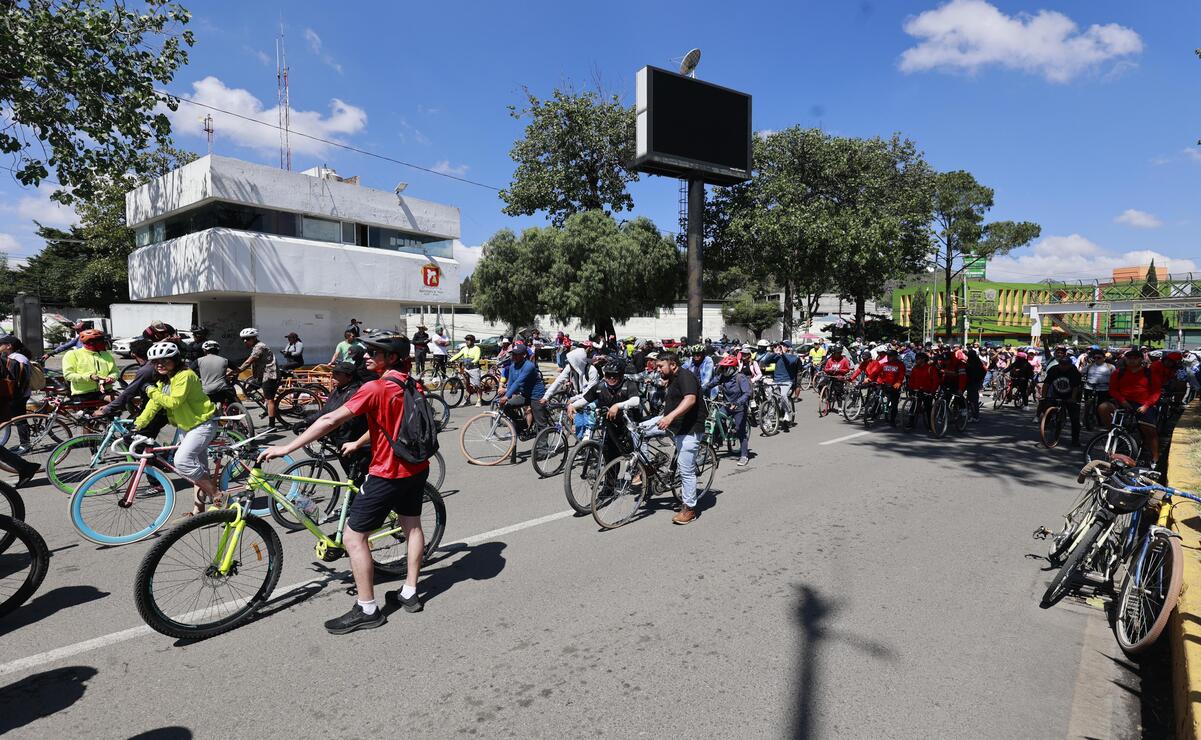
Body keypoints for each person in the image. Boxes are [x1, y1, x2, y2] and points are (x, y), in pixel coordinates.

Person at [259, 335, 430, 633]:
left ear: (392, 358)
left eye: (375, 352)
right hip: (416, 468)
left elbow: (329, 420)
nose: (367, 356)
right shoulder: (410, 383)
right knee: (412, 527)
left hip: (387, 473)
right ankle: (410, 591)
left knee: (353, 538)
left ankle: (367, 609)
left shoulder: (375, 387)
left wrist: (286, 447)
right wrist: (359, 442)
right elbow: (391, 423)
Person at [132, 341, 220, 516]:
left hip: (202, 424)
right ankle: (198, 510)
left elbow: (174, 402)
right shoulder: (165, 380)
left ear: (176, 359)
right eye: (155, 362)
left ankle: (217, 495)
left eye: (165, 360)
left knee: (182, 461)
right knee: (198, 468)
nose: (160, 364)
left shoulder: (185, 375)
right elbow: (154, 404)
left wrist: (150, 390)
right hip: (185, 426)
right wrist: (138, 424)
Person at [641, 352, 705, 525]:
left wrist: (669, 417)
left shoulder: (686, 376)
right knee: (638, 431)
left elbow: (690, 399)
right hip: (673, 422)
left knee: (686, 470)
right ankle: (648, 468)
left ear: (673, 365)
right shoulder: (671, 378)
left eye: (660, 366)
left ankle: (689, 509)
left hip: (689, 428)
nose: (657, 369)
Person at [300, 361, 369, 481]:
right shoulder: (337, 390)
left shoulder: (355, 393)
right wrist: (306, 421)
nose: (333, 377)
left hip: (356, 443)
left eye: (337, 374)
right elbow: (325, 412)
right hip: (341, 442)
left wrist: (327, 430)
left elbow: (348, 421)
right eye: (333, 374)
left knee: (360, 477)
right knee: (352, 477)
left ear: (349, 377)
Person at [571, 360, 642, 462]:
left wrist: (617, 406)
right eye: (608, 375)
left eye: (615, 375)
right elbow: (585, 400)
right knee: (610, 455)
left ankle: (644, 469)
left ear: (621, 375)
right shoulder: (600, 387)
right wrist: (572, 405)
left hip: (629, 424)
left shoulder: (629, 384)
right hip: (610, 424)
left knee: (636, 455)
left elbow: (635, 400)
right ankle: (611, 472)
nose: (611, 378)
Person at [1103, 349, 1163, 466]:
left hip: (1143, 404)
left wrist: (1146, 405)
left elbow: (1156, 393)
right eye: (1129, 358)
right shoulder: (1118, 373)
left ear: (1141, 359)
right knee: (1103, 408)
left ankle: (1155, 458)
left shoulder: (1150, 373)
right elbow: (1113, 390)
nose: (1132, 360)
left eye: (1135, 358)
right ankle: (1114, 433)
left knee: (1150, 431)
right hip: (1122, 402)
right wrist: (1122, 401)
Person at [0, 335, 38, 485]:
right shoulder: (11, 358)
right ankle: (24, 466)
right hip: (12, 397)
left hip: (16, 397)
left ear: (9, 346)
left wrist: (18, 395)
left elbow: (19, 380)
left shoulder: (17, 358)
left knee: (20, 420)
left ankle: (25, 452)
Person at [704, 354, 752, 466]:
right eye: (722, 368)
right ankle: (721, 437)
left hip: (739, 407)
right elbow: (711, 384)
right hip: (726, 405)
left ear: (732, 368)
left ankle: (744, 455)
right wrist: (699, 390)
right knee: (717, 417)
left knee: (740, 431)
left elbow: (747, 393)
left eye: (725, 368)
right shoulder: (722, 376)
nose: (723, 370)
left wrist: (737, 403)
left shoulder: (741, 377)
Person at [1038, 345, 1083, 446]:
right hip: (1057, 394)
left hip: (1072, 396)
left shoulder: (1074, 372)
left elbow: (1076, 387)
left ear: (1070, 365)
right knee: (1046, 410)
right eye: (1061, 364)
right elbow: (1046, 384)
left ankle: (1075, 440)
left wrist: (1073, 398)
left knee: (1074, 418)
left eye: (1065, 365)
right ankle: (1044, 435)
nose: (1063, 366)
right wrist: (1044, 397)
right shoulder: (1054, 369)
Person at [497, 342, 546, 434]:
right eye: (513, 354)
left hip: (536, 395)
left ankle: (543, 442)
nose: (513, 356)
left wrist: (506, 396)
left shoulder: (529, 366)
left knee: (541, 423)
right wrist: (506, 395)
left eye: (516, 354)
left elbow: (519, 382)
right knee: (506, 407)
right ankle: (522, 425)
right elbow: (511, 383)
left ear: (524, 355)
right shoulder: (512, 366)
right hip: (525, 395)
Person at [237, 328, 279, 429]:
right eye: (243, 339)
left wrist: (237, 371)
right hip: (261, 376)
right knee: (249, 389)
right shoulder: (255, 347)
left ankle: (272, 425)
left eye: (247, 339)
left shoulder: (259, 347)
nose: (245, 341)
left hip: (269, 375)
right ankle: (267, 406)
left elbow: (249, 361)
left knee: (270, 400)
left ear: (254, 338)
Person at [62, 329, 118, 402]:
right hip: (84, 394)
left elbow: (115, 371)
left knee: (126, 399)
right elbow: (68, 375)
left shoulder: (106, 355)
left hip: (105, 391)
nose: (103, 343)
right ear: (90, 343)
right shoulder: (73, 354)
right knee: (117, 401)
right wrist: (90, 377)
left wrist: (111, 378)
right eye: (100, 341)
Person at [906, 352, 941, 429]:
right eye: (916, 359)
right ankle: (910, 422)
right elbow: (911, 380)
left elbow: (936, 381)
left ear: (923, 359)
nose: (916, 360)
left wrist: (933, 391)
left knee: (928, 407)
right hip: (916, 390)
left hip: (927, 391)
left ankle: (931, 425)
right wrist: (910, 389)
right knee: (913, 406)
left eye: (917, 359)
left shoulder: (930, 368)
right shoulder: (915, 368)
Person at [448, 334, 483, 405]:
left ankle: (479, 400)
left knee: (477, 385)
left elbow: (477, 358)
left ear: (473, 341)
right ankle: (467, 400)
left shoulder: (477, 348)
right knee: (467, 385)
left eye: (469, 340)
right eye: (466, 340)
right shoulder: (464, 348)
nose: (467, 341)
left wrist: (472, 362)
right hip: (466, 369)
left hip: (474, 368)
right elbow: (458, 355)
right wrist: (451, 360)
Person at [197, 340, 234, 405]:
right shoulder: (225, 360)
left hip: (207, 391)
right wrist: (229, 374)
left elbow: (189, 370)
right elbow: (237, 370)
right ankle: (239, 409)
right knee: (233, 397)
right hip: (223, 389)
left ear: (205, 350)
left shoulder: (198, 360)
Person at [876, 349, 906, 425]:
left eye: (890, 356)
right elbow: (877, 373)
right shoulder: (884, 364)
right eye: (888, 356)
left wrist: (898, 383)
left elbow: (901, 375)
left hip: (895, 387)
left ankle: (893, 419)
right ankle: (880, 413)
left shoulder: (900, 364)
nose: (889, 357)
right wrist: (877, 380)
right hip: (885, 385)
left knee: (894, 404)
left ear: (895, 356)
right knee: (882, 400)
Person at [965, 349, 986, 420]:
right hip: (973, 382)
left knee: (973, 400)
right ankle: (973, 414)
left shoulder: (973, 362)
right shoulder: (977, 361)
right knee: (971, 399)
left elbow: (982, 372)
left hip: (973, 382)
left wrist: (977, 378)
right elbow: (983, 372)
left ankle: (975, 416)